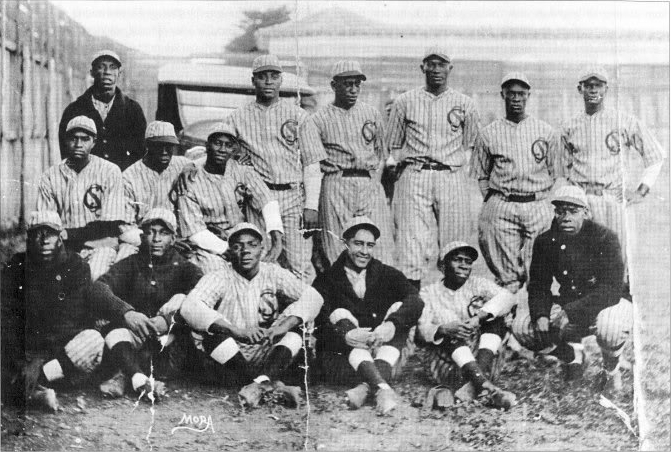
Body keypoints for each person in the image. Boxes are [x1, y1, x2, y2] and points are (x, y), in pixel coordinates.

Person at [179, 222, 323, 408]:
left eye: (252, 245)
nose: (245, 251)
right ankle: (268, 384)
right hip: (232, 353)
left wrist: (282, 327)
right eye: (238, 246)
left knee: (296, 328)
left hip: (269, 348)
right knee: (212, 334)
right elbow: (190, 307)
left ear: (262, 249)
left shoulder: (273, 272)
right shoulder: (220, 275)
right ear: (230, 251)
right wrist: (235, 330)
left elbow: (314, 297)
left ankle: (256, 385)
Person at [512, 186, 632, 391]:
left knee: (610, 328)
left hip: (607, 303)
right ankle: (572, 356)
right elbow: (539, 285)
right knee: (522, 327)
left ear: (586, 212)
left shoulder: (604, 237)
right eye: (560, 211)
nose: (566, 217)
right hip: (570, 303)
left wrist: (570, 312)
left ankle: (611, 369)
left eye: (573, 211)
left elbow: (612, 289)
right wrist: (541, 315)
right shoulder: (546, 240)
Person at [0, 212, 120, 411]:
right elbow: (6, 313)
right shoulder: (17, 264)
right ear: (29, 237)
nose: (44, 240)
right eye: (38, 233)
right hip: (25, 349)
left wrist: (40, 360)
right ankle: (31, 389)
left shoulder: (76, 266)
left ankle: (31, 383)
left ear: (61, 236)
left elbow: (69, 321)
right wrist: (23, 358)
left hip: (59, 352)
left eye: (50, 233)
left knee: (92, 341)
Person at [385, 46, 481, 290]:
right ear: (423, 68)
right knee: (411, 241)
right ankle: (412, 301)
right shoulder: (404, 101)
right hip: (415, 172)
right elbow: (394, 144)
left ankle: (455, 299)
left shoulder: (465, 103)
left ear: (450, 68)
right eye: (431, 64)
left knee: (455, 241)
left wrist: (461, 168)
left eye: (441, 64)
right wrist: (399, 166)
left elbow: (471, 145)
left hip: (450, 173)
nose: (436, 69)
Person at [224, 55, 327, 282]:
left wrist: (311, 206)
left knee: (299, 263)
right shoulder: (237, 117)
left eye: (274, 76)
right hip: (259, 198)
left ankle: (301, 306)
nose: (268, 82)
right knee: (260, 261)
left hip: (293, 195)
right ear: (253, 80)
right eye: (262, 76)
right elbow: (219, 151)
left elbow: (312, 164)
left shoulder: (298, 115)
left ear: (281, 80)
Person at [559, 67, 665, 280]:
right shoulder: (569, 126)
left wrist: (641, 191)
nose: (593, 90)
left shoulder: (623, 121)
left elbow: (656, 156)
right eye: (588, 85)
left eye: (598, 85)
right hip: (582, 202)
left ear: (606, 89)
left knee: (617, 260)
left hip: (612, 198)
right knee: (581, 262)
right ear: (580, 89)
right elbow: (562, 170)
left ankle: (621, 297)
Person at [88, 208, 203, 400]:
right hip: (136, 337)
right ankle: (140, 380)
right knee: (115, 332)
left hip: (168, 344)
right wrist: (127, 313)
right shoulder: (132, 263)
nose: (156, 239)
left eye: (164, 233)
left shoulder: (185, 268)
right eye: (151, 232)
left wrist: (170, 317)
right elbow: (98, 288)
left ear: (173, 239)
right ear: (142, 237)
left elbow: (203, 297)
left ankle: (126, 375)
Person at [313, 217, 424, 414]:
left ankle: (366, 388)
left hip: (384, 354)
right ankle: (382, 387)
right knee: (339, 314)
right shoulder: (327, 278)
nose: (364, 251)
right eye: (358, 243)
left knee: (401, 309)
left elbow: (415, 300)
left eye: (370, 245)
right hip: (345, 361)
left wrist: (391, 325)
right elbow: (318, 323)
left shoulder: (385, 273)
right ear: (345, 243)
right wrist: (345, 336)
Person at [471, 72, 560, 294]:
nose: (516, 98)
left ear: (528, 95)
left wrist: (545, 202)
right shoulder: (488, 133)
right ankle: (507, 312)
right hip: (502, 203)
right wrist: (494, 200)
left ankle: (536, 312)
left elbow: (556, 173)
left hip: (536, 203)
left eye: (521, 94)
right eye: (511, 93)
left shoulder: (545, 131)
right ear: (503, 95)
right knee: (507, 276)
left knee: (538, 271)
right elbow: (481, 175)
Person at [307, 60, 395, 268]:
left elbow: (381, 154)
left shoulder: (371, 114)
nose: (353, 89)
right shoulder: (319, 119)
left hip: (368, 181)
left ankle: (374, 289)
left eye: (357, 84)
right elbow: (313, 164)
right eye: (347, 84)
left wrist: (375, 183)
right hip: (336, 181)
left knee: (378, 245)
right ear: (334, 85)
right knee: (336, 248)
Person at [417, 241, 517, 410]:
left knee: (495, 317)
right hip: (446, 364)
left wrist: (480, 317)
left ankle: (477, 384)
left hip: (482, 360)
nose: (464, 265)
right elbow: (422, 331)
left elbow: (508, 297)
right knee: (450, 326)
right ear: (443, 265)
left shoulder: (478, 284)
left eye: (468, 261)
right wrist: (443, 329)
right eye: (457, 260)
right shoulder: (429, 292)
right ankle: (484, 387)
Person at [176, 123, 284, 274]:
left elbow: (267, 202)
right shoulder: (190, 178)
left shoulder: (242, 171)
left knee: (270, 270)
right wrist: (228, 250)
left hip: (241, 237)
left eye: (228, 145)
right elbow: (195, 232)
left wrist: (276, 241)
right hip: (208, 243)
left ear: (234, 149)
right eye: (217, 143)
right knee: (217, 272)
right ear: (207, 145)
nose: (222, 149)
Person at [38, 115, 125, 280]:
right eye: (73, 138)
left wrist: (70, 234)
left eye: (85, 139)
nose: (78, 144)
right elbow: (46, 225)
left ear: (94, 142)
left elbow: (111, 225)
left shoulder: (110, 171)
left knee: (93, 276)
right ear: (66, 140)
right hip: (64, 248)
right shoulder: (50, 176)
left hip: (100, 247)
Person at [117, 121, 196, 261]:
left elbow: (204, 160)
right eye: (158, 146)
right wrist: (164, 242)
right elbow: (126, 229)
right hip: (142, 241)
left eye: (169, 146)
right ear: (147, 145)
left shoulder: (181, 164)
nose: (164, 151)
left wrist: (192, 166)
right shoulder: (128, 178)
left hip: (179, 239)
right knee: (124, 259)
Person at [59, 50, 146, 171]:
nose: (107, 72)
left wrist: (123, 176)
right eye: (101, 67)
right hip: (85, 177)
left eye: (112, 67)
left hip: (121, 178)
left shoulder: (133, 110)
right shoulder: (74, 110)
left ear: (119, 73)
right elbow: (66, 153)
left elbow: (140, 154)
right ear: (92, 72)